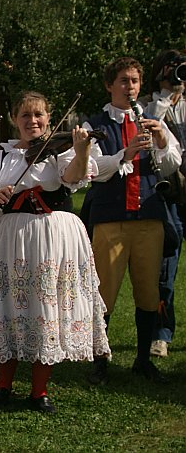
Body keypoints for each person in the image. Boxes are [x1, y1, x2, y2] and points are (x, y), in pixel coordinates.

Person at [0, 91, 110, 413]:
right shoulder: (2, 157)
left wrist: (82, 149)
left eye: (39, 115)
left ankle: (39, 391)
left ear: (49, 119)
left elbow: (73, 177)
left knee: (46, 306)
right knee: (9, 305)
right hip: (10, 240)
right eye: (26, 116)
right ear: (15, 120)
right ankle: (3, 385)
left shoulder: (60, 153)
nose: (33, 121)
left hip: (52, 238)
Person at [82, 57, 181, 385]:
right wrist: (125, 153)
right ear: (110, 85)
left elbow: (171, 164)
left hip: (149, 218)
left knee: (148, 291)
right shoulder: (95, 124)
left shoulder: (153, 120)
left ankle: (142, 360)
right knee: (103, 292)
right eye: (124, 81)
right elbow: (92, 170)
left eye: (135, 81)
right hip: (111, 218)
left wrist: (162, 142)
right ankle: (99, 362)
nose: (130, 87)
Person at [143, 49, 186, 358]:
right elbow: (148, 133)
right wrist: (164, 98)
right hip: (169, 193)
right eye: (173, 70)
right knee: (165, 268)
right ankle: (161, 333)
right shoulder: (149, 106)